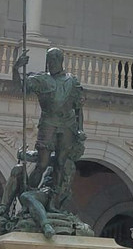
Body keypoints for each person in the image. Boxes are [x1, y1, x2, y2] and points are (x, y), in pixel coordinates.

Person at [13, 47, 85, 199]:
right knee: (42, 163)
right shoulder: (41, 79)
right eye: (48, 60)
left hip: (67, 124)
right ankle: (29, 195)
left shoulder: (72, 81)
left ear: (60, 61)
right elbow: (22, 87)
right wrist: (16, 68)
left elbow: (78, 107)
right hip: (48, 123)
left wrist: (80, 129)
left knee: (60, 164)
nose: (50, 64)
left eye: (53, 60)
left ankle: (54, 201)